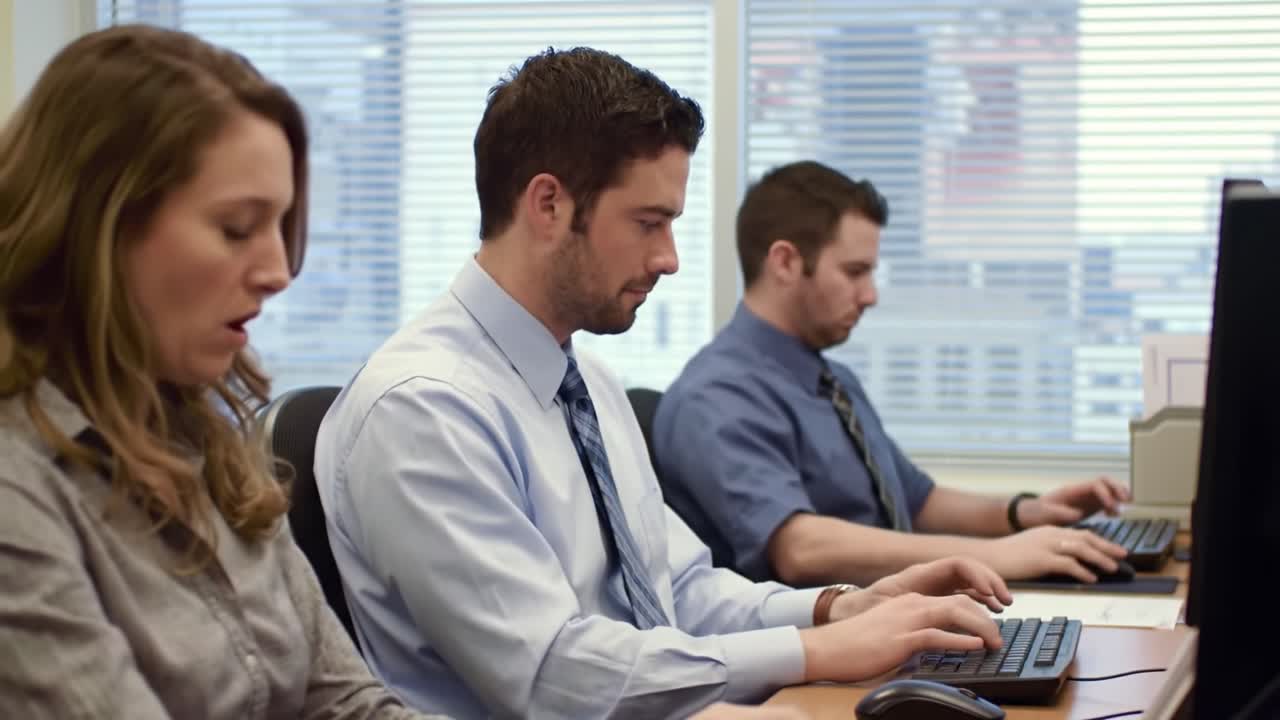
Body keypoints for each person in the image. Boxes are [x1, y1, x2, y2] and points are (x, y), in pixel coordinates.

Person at [313, 47, 1012, 720]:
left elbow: (680, 590)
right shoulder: (423, 409)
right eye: (649, 223)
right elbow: (553, 674)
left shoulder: (586, 381)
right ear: (549, 205)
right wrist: (816, 649)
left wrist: (837, 608)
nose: (669, 259)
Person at [0, 24, 459, 720]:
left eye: (281, 226)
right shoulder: (17, 482)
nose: (278, 271)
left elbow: (346, 702)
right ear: (98, 228)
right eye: (238, 228)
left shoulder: (200, 435)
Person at [653, 160, 1131, 589]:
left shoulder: (830, 378)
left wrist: (1026, 514)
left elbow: (917, 502)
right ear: (785, 262)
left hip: (890, 626)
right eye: (855, 271)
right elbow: (800, 548)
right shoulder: (716, 396)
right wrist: (995, 557)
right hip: (804, 665)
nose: (870, 295)